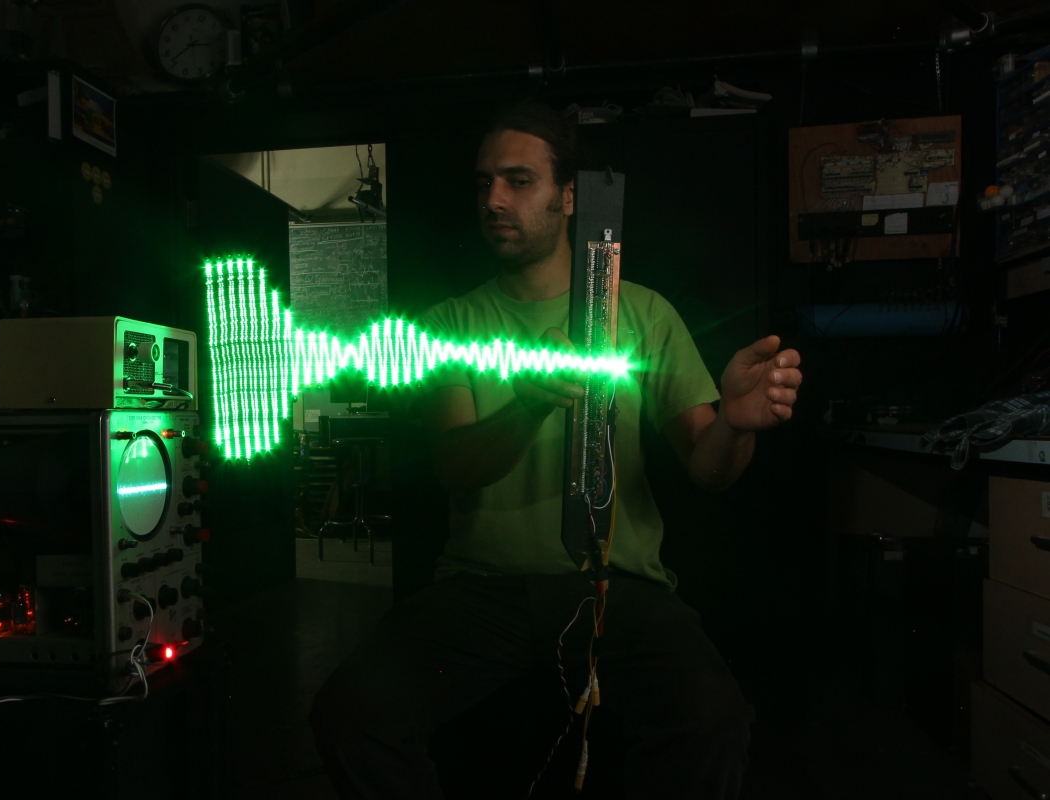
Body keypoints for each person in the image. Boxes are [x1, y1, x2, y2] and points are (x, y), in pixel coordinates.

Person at [309, 100, 802, 799]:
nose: (494, 200)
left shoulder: (644, 313)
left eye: (519, 181)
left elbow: (708, 468)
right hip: (482, 589)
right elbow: (455, 467)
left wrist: (735, 426)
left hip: (618, 587)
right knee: (350, 716)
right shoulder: (451, 324)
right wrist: (528, 404)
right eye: (484, 183)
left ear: (570, 197)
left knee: (712, 722)